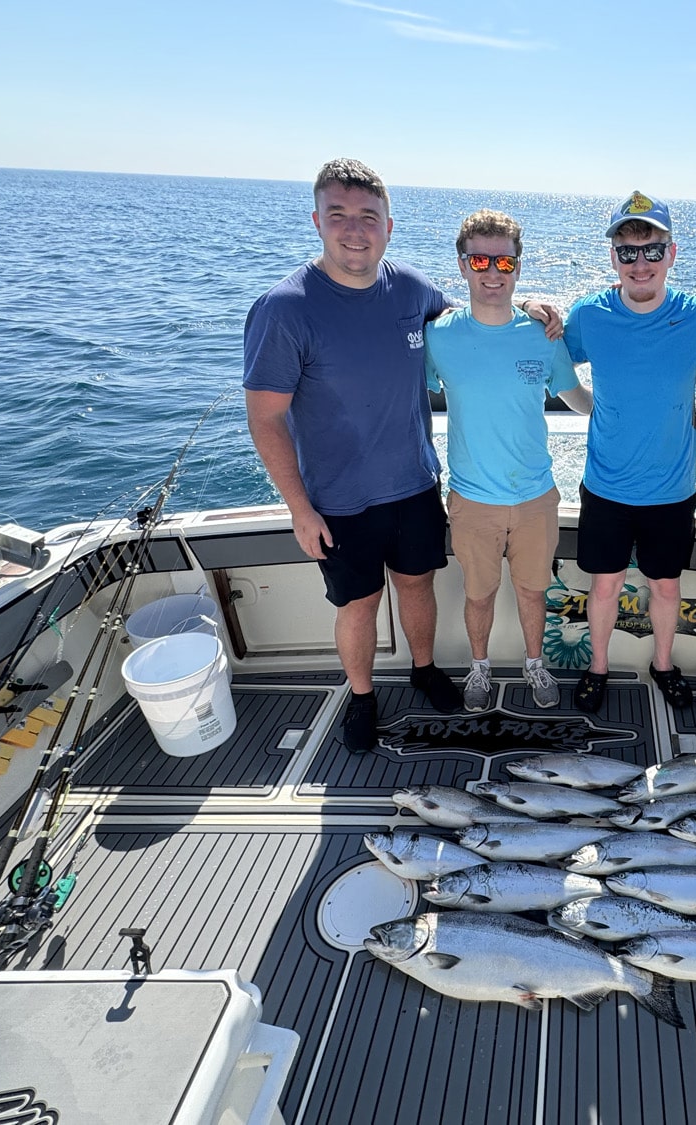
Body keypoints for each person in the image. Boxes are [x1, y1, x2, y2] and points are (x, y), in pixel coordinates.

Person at [242, 158, 465, 753]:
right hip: (339, 502)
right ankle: (362, 696)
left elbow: (470, 323)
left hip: (415, 486)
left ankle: (424, 669)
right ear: (317, 221)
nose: (354, 229)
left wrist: (535, 309)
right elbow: (265, 419)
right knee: (359, 604)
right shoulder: (284, 308)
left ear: (389, 226)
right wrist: (300, 509)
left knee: (417, 585)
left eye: (368, 216)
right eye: (338, 214)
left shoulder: (412, 288)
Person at [563, 191, 696, 713]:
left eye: (652, 250)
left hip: (671, 491)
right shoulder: (589, 315)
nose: (640, 263)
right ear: (613, 258)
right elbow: (552, 362)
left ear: (671, 254)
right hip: (605, 487)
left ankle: (663, 665)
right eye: (628, 251)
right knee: (604, 587)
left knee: (666, 588)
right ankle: (598, 669)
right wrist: (589, 405)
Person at [425, 209, 593, 712]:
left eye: (504, 262)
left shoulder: (543, 334)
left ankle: (535, 664)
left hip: (536, 497)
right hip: (472, 500)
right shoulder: (439, 336)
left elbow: (578, 399)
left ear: (519, 266)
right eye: (480, 260)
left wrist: (629, 409)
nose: (493, 272)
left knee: (532, 593)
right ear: (462, 265)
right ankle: (479, 668)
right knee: (478, 595)